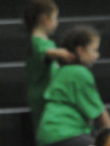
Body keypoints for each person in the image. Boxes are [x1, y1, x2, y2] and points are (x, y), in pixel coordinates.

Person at [36, 25, 110, 146]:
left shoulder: (62, 71)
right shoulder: (79, 72)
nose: (97, 55)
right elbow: (99, 112)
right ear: (80, 50)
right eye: (94, 50)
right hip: (63, 136)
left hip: (49, 138)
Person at [23, 0, 74, 129]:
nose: (57, 22)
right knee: (45, 128)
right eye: (55, 18)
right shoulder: (37, 41)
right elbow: (45, 52)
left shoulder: (44, 41)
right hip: (42, 95)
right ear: (44, 19)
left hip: (48, 94)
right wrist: (62, 53)